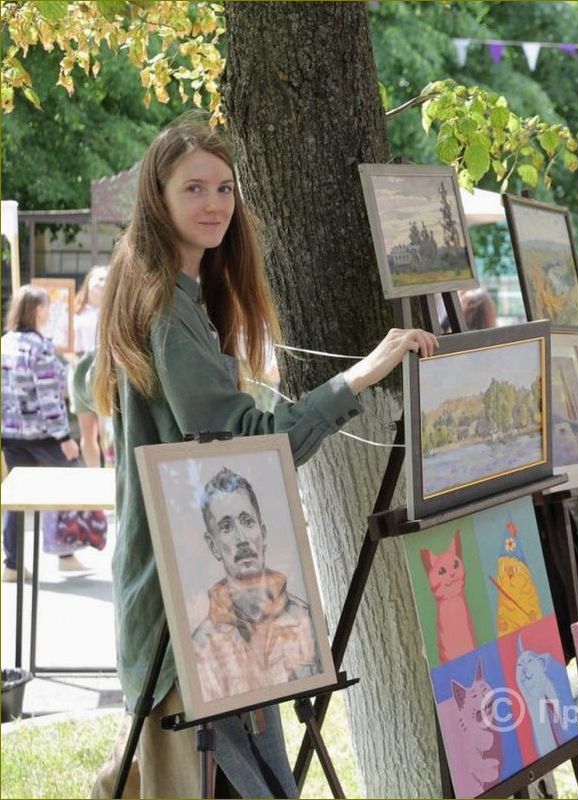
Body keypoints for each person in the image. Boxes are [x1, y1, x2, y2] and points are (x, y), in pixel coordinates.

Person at [87, 114, 438, 799]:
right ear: (157, 200)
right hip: (181, 606)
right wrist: (359, 378)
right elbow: (250, 447)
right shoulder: (165, 308)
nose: (215, 203)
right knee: (215, 778)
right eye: (193, 189)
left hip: (192, 592)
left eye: (224, 188)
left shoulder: (167, 290)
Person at [191, 467, 318, 701]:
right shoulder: (202, 644)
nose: (241, 538)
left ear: (263, 532)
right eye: (226, 527)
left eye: (247, 521)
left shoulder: (304, 620)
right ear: (213, 545)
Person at [2, 285, 88, 581]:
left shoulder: (5, 343)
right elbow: (49, 397)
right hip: (44, 434)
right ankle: (65, 554)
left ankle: (12, 563)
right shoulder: (39, 347)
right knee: (67, 486)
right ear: (38, 310)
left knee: (18, 497)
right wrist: (64, 437)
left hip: (11, 434)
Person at [72, 265, 108, 467]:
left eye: (106, 279)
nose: (102, 283)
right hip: (78, 371)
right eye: (99, 279)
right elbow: (65, 343)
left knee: (107, 429)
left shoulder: (114, 311)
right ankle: (92, 471)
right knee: (87, 430)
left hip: (104, 373)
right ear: (88, 283)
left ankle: (110, 470)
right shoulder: (76, 312)